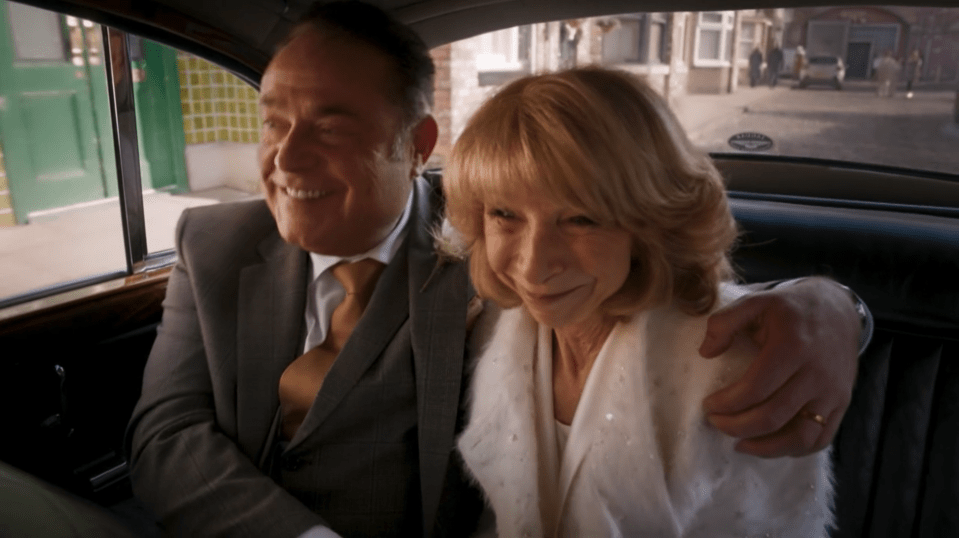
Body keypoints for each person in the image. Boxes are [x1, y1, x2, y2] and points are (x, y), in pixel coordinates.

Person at [126, 2, 867, 537]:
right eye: (274, 121)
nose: (284, 159)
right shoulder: (212, 242)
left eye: (330, 124)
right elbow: (165, 437)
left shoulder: (481, 252)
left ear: (416, 143)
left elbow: (648, 264)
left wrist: (833, 307)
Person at [446, 67, 833, 537]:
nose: (532, 266)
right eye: (505, 214)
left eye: (581, 220)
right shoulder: (491, 329)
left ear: (650, 223)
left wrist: (840, 306)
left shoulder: (736, 367)